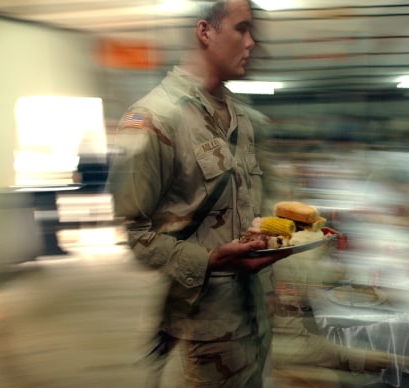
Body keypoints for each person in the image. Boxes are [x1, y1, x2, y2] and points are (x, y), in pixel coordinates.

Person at [106, 1, 291, 386]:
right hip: (199, 337)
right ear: (205, 32)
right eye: (242, 29)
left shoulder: (247, 120)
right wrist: (211, 260)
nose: (252, 42)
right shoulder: (153, 120)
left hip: (253, 325)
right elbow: (136, 235)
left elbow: (259, 210)